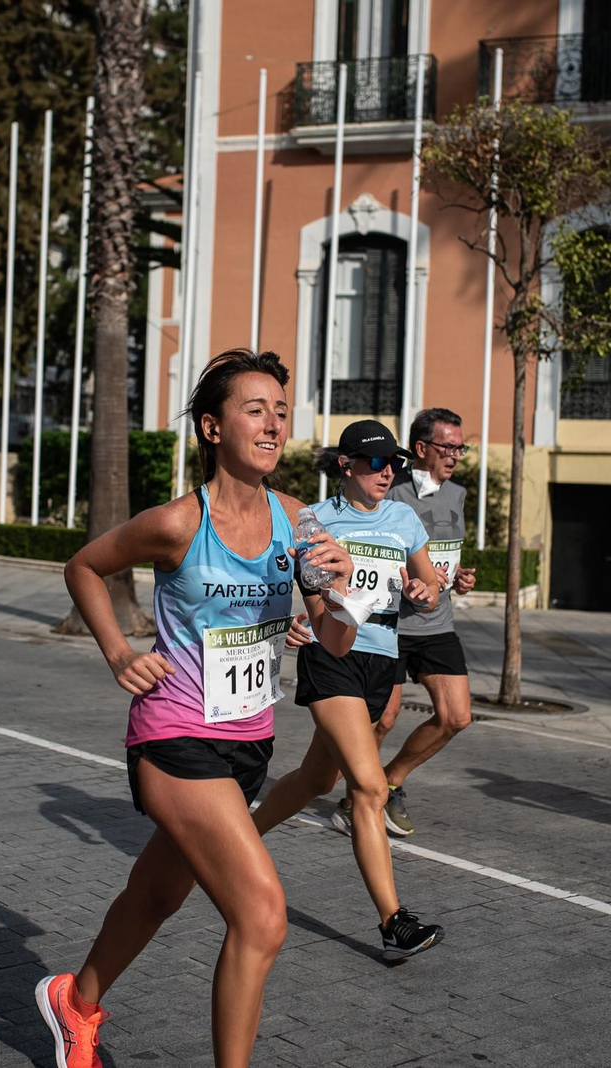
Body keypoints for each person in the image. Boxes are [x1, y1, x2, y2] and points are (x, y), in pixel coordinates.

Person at [34, 349, 356, 1068]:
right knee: (262, 916)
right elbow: (83, 565)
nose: (273, 424)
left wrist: (343, 594)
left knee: (156, 893)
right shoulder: (179, 523)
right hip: (174, 734)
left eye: (280, 411)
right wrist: (119, 650)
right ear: (213, 428)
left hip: (248, 744)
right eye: (255, 410)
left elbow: (331, 641)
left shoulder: (298, 523)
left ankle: (74, 1003)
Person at [251, 419, 446, 960]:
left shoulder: (404, 518)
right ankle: (392, 920)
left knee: (316, 778)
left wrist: (421, 590)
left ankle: (238, 840)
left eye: (394, 465)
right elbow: (286, 582)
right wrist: (293, 618)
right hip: (331, 655)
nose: (388, 473)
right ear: (346, 465)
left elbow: (429, 585)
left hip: (383, 659)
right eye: (377, 463)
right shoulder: (314, 519)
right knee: (368, 787)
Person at [368, 408, 477, 837]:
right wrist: (409, 578)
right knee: (384, 718)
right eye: (447, 447)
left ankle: (390, 781)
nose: (455, 455)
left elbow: (446, 556)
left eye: (459, 447)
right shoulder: (389, 492)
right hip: (391, 623)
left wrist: (460, 577)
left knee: (457, 716)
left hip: (436, 622)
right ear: (420, 448)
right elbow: (373, 549)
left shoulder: (458, 495)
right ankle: (360, 795)